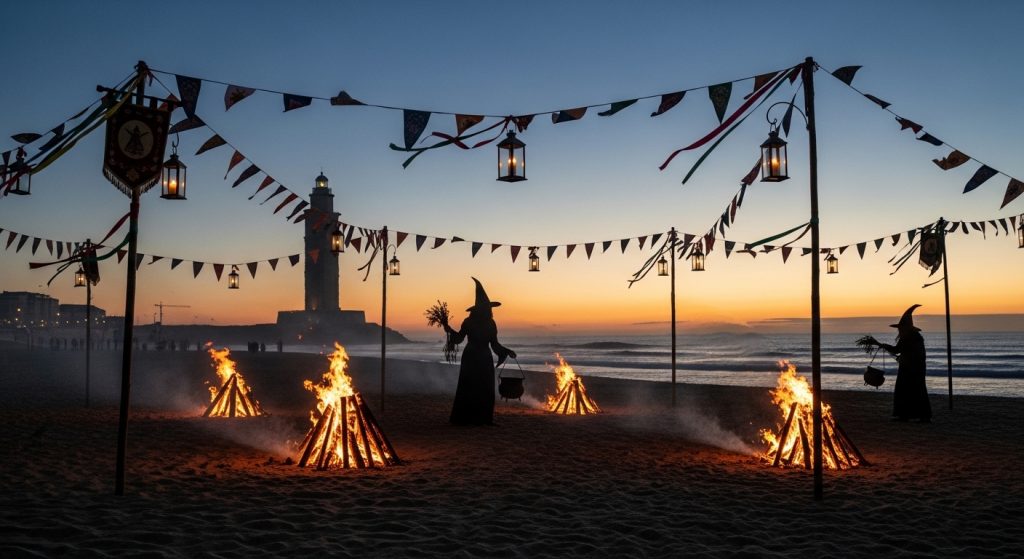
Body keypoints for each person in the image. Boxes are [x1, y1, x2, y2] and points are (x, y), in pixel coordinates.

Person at [442, 278, 516, 426]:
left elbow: (494, 343)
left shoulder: (490, 323)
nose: (490, 311)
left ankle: (484, 419)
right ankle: (468, 418)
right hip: (474, 357)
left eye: (490, 308)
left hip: (481, 357)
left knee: (484, 387)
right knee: (470, 386)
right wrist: (448, 329)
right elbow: (458, 339)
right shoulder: (469, 322)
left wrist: (506, 351)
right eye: (488, 308)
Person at [858, 304, 932, 422]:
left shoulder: (908, 337)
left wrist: (882, 345)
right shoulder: (916, 337)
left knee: (904, 389)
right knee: (917, 389)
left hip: (909, 369)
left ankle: (907, 415)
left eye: (901, 328)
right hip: (917, 368)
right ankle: (920, 416)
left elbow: (897, 350)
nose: (899, 330)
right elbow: (909, 353)